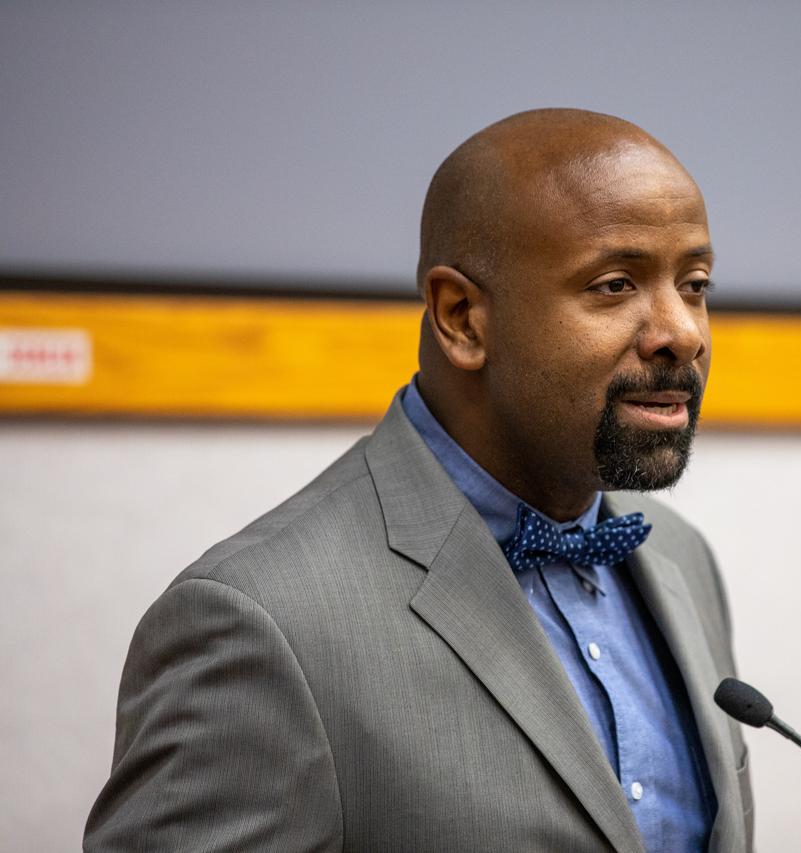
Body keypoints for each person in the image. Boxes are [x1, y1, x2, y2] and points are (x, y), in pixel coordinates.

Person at [84, 109, 753, 852]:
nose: (683, 332)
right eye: (615, 284)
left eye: (695, 285)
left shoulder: (680, 558)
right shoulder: (259, 621)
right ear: (461, 317)